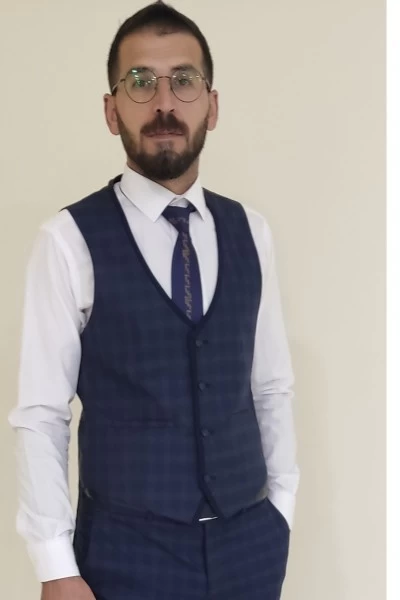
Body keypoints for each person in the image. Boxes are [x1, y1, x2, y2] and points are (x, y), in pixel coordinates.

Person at [8, 2, 300, 599]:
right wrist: (55, 566)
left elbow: (270, 386)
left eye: (184, 80)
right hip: (123, 557)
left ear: (212, 105)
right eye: (140, 82)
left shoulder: (252, 232)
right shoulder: (67, 241)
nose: (164, 103)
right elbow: (41, 414)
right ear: (111, 110)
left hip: (250, 548)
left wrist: (281, 510)